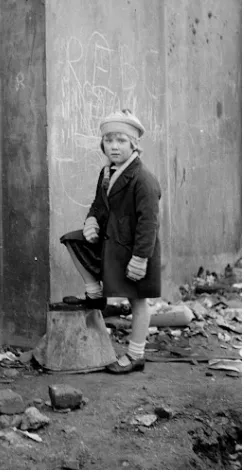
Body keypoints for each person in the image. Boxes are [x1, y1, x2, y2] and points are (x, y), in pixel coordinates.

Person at [59, 109, 161, 374]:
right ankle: (95, 295)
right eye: (109, 140)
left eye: (121, 141)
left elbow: (149, 224)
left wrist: (140, 259)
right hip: (112, 242)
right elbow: (98, 205)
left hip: (135, 249)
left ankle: (136, 354)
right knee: (73, 240)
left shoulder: (143, 180)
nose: (113, 146)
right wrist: (91, 220)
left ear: (134, 144)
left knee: (138, 300)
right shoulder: (107, 173)